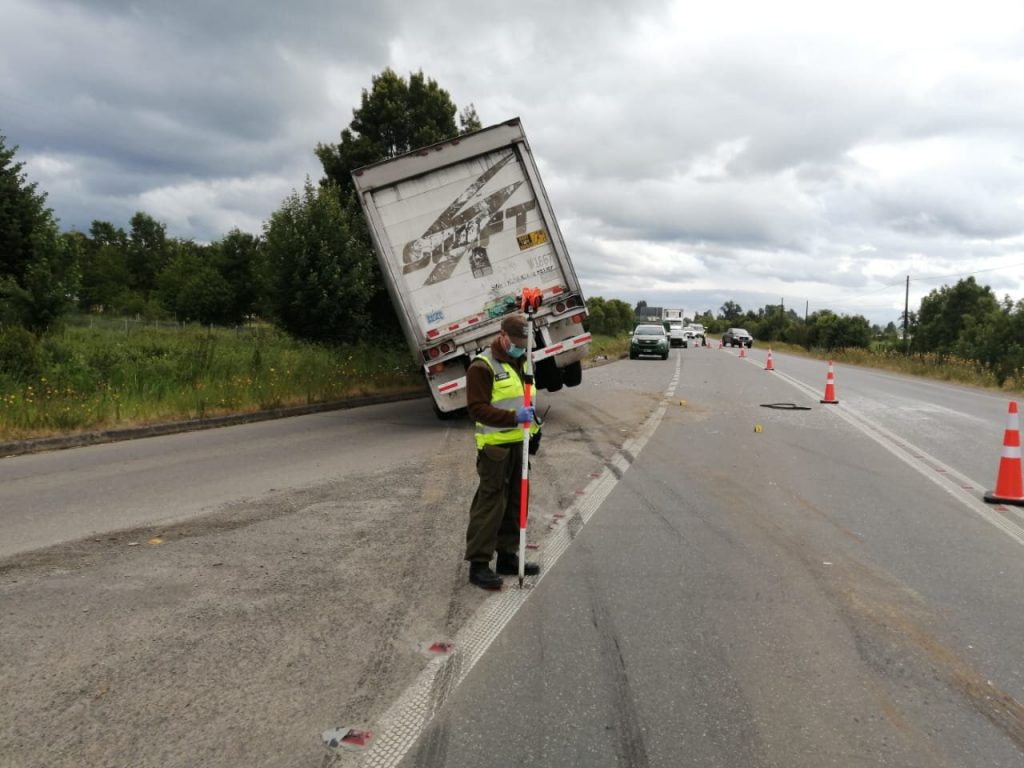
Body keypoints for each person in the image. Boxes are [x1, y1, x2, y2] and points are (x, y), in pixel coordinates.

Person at [464, 314, 542, 589]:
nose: (521, 347)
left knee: (516, 504)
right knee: (491, 505)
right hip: (495, 449)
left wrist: (533, 428)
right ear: (502, 336)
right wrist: (513, 417)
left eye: (524, 343)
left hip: (518, 445)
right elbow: (477, 409)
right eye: (517, 342)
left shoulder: (523, 362)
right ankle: (479, 564)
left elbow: (526, 400)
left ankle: (507, 557)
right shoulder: (482, 366)